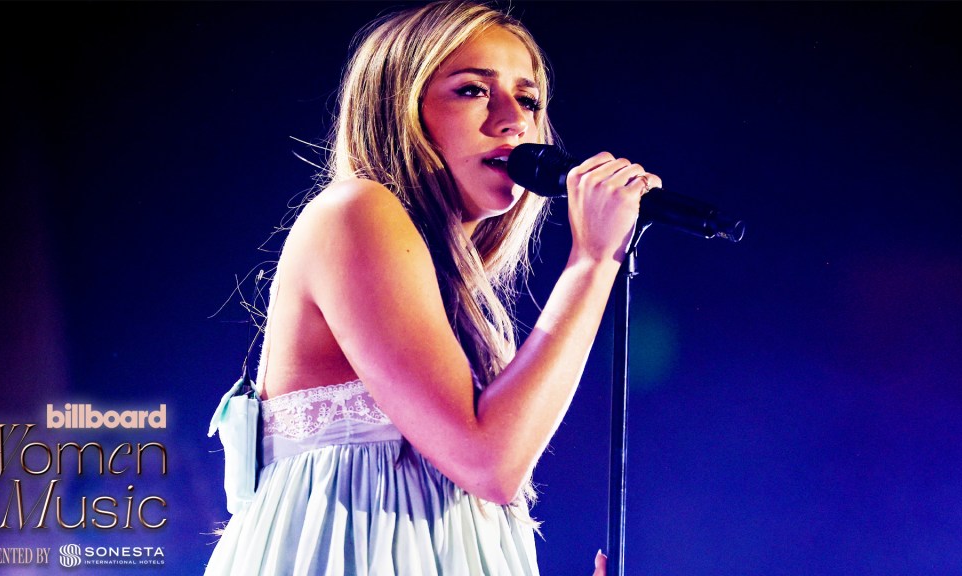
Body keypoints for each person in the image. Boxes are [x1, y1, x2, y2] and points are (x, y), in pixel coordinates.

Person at [205, 1, 660, 574]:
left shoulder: (455, 289)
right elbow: (488, 463)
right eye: (472, 90)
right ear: (398, 108)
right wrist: (591, 261)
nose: (511, 121)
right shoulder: (357, 212)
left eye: (528, 100)